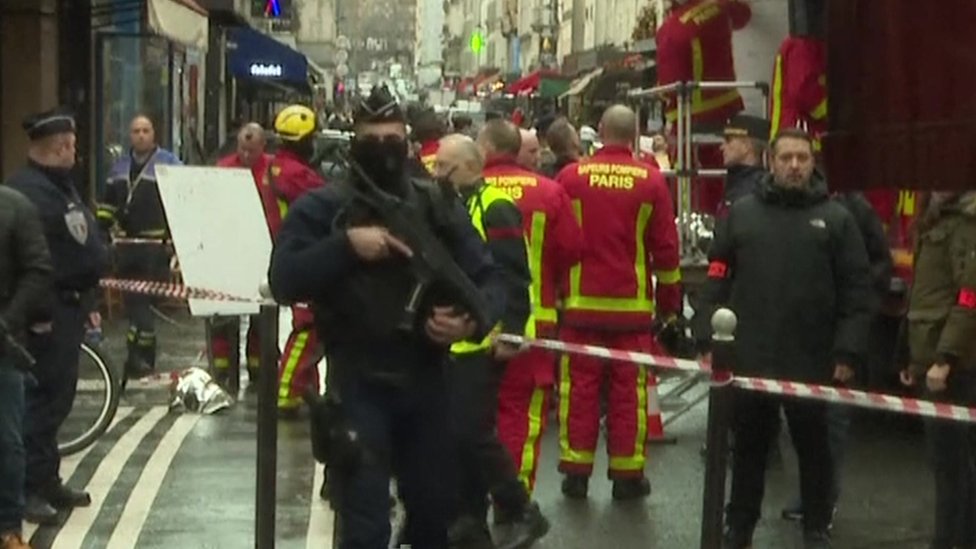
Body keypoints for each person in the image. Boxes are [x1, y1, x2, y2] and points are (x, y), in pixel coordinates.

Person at [269, 84, 506, 549]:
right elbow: (284, 279)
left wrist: (468, 323)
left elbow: (490, 281)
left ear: (407, 142)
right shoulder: (324, 206)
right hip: (357, 380)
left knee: (434, 518)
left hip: (427, 380)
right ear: (354, 141)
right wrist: (346, 246)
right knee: (365, 525)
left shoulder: (435, 205)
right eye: (371, 139)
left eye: (392, 139)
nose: (383, 149)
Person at [693, 128, 872, 549]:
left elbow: (856, 291)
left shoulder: (836, 219)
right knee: (749, 449)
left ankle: (816, 526)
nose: (794, 166)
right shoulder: (742, 215)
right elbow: (717, 277)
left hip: (811, 359)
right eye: (787, 158)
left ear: (813, 164)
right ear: (770, 161)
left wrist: (847, 351)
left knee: (814, 450)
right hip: (750, 356)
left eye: (802, 158)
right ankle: (739, 526)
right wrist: (704, 336)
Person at [554, 105, 682, 499]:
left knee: (579, 389)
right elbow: (666, 250)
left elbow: (558, 241)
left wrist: (557, 293)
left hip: (580, 306)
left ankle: (576, 473)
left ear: (599, 131)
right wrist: (670, 306)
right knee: (629, 393)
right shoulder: (651, 180)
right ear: (634, 133)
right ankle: (627, 477)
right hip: (632, 310)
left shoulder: (571, 177)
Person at [435, 133, 549, 549]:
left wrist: (512, 332)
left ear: (468, 167)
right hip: (455, 340)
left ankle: (521, 508)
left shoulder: (495, 205)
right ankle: (470, 520)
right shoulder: (450, 204)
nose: (435, 173)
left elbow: (514, 276)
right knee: (454, 435)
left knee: (472, 431)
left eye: (443, 166)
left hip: (487, 339)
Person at [8, 108, 109, 525]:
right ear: (58, 148)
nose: (75, 152)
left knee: (57, 401)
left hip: (68, 307)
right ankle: (29, 488)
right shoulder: (29, 192)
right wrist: (38, 315)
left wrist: (89, 304)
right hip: (44, 314)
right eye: (70, 146)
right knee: (39, 404)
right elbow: (29, 262)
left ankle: (47, 479)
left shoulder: (59, 186)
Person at [477, 120, 582, 493]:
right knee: (521, 415)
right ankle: (514, 496)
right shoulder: (549, 193)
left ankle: (472, 496)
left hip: (471, 322)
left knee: (468, 413)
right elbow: (572, 251)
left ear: (486, 148)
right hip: (533, 322)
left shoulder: (469, 190)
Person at [900, 191, 976, 549]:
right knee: (949, 462)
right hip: (929, 354)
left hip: (955, 365)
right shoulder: (936, 216)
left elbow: (969, 297)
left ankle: (950, 540)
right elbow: (921, 292)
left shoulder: (968, 222)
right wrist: (908, 355)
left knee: (951, 464)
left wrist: (945, 359)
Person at [96, 114, 181, 378]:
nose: (141, 135)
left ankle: (141, 357)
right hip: (126, 246)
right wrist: (100, 232)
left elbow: (181, 202)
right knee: (135, 305)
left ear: (154, 134)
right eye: (136, 131)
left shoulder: (169, 163)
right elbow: (108, 205)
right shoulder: (119, 167)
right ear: (129, 136)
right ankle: (138, 357)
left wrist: (176, 241)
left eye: (146, 130)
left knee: (141, 304)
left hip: (155, 247)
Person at [0, 185, 52, 549]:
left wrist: (8, 321)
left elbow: (38, 270)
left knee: (6, 441)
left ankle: (7, 528)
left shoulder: (15, 207)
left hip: (4, 343)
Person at [267, 105, 328, 413]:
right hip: (303, 254)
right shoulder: (298, 175)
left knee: (310, 328)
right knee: (307, 327)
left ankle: (306, 391)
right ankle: (287, 392)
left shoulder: (277, 167)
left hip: (289, 252)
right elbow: (327, 201)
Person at [208, 123, 275, 390]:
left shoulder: (272, 170)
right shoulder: (224, 169)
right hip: (229, 251)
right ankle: (223, 370)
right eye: (242, 149)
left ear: (262, 147)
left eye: (252, 150)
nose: (246, 155)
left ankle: (259, 369)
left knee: (262, 316)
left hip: (263, 251)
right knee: (223, 315)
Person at [716, 114, 769, 218]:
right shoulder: (737, 183)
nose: (721, 147)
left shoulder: (757, 190)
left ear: (746, 146)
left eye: (728, 140)